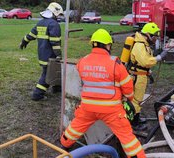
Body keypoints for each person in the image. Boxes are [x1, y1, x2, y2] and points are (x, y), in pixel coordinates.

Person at [60, 29, 146, 158]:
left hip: (87, 108)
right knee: (126, 136)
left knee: (75, 128)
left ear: (93, 44)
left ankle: (65, 145)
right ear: (107, 45)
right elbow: (128, 87)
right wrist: (129, 99)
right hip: (112, 110)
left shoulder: (83, 61)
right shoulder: (115, 63)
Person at [19, 2, 63, 101]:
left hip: (42, 55)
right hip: (51, 56)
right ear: (55, 13)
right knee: (48, 74)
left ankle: (57, 88)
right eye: (59, 14)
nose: (59, 17)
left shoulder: (40, 22)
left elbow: (31, 34)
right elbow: (55, 43)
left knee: (54, 71)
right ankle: (37, 94)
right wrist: (59, 56)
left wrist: (24, 41)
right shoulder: (54, 24)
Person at [129, 22, 168, 131]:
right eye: (155, 36)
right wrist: (159, 57)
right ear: (148, 35)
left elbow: (143, 64)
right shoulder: (139, 45)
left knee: (139, 99)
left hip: (141, 75)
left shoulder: (144, 44)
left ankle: (136, 117)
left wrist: (149, 73)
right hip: (137, 77)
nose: (156, 39)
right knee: (136, 100)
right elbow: (145, 61)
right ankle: (134, 123)